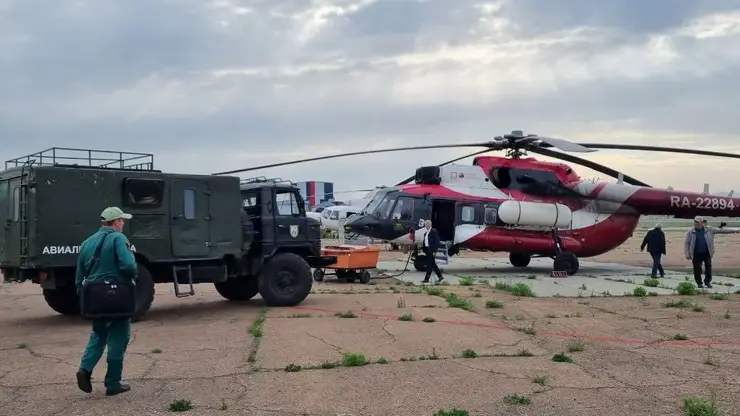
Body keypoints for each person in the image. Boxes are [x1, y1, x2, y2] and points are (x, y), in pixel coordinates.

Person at [75, 207, 138, 396]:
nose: (124, 224)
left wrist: (84, 299)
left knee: (98, 333)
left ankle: (85, 369)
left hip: (95, 298)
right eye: (122, 221)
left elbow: (79, 277)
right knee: (119, 336)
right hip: (116, 295)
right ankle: (113, 383)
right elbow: (128, 265)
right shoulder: (118, 238)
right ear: (116, 222)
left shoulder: (87, 243)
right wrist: (132, 276)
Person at [684, 216, 739, 289]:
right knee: (697, 268)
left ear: (702, 222)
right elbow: (687, 243)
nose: (696, 223)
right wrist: (687, 253)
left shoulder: (709, 229)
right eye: (695, 222)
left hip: (707, 252)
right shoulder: (691, 232)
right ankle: (699, 283)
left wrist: (735, 230)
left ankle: (707, 282)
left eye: (697, 222)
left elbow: (721, 230)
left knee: (708, 267)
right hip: (696, 253)